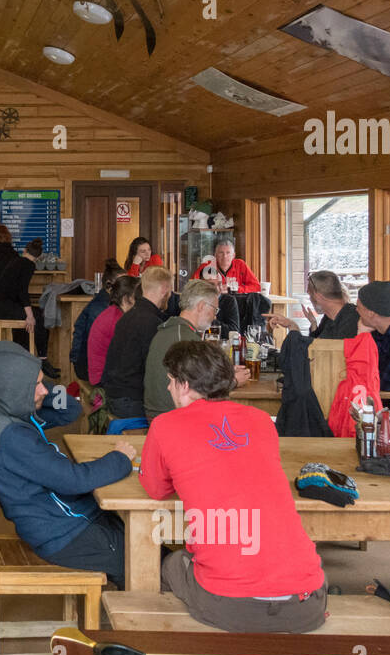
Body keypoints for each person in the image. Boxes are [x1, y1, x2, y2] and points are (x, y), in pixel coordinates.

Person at [139, 341, 327, 632]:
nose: (168, 389)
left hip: (229, 605)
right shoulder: (261, 420)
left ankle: (172, 650)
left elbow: (155, 489)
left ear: (185, 385)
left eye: (171, 382)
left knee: (171, 564)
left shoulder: (165, 425)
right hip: (307, 605)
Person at [0, 340, 134, 588]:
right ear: (14, 389)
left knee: (138, 536)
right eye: (36, 385)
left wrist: (35, 385)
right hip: (61, 533)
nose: (43, 391)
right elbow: (73, 481)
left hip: (57, 520)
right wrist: (120, 459)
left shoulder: (3, 404)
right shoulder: (13, 436)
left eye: (41, 382)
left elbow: (70, 409)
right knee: (139, 558)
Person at [144, 280, 250, 420]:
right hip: (173, 419)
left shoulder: (169, 329)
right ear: (201, 306)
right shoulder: (186, 340)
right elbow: (205, 390)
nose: (215, 316)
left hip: (159, 415)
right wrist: (233, 380)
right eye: (215, 309)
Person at [101, 266, 174, 424]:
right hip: (130, 402)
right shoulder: (152, 323)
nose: (171, 295)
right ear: (164, 289)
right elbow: (156, 371)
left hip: (114, 395)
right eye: (170, 291)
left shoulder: (128, 316)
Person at [0, 237, 46, 359]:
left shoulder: (18, 261)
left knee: (32, 317)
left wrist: (29, 313)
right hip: (3, 307)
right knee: (39, 316)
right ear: (39, 257)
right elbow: (23, 291)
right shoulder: (29, 265)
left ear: (25, 251)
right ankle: (42, 358)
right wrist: (30, 315)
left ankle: (22, 356)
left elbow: (19, 292)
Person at [71, 259, 124, 381]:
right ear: (109, 284)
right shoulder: (99, 308)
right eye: (122, 284)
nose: (125, 288)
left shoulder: (107, 303)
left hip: (87, 363)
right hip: (86, 366)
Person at [266, 270, 360, 339]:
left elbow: (314, 352)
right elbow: (314, 344)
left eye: (310, 295)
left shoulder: (352, 321)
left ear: (318, 296)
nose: (310, 299)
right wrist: (311, 323)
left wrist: (292, 327)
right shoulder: (330, 317)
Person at [86, 274, 138, 386]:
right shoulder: (117, 320)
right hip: (102, 379)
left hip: (100, 374)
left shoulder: (113, 312)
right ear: (126, 299)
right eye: (137, 297)